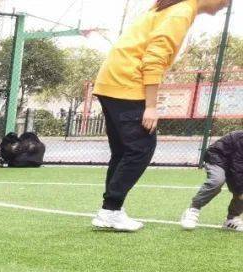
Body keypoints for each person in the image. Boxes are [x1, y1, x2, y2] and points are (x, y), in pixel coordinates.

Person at [91, 0, 231, 232]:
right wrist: (151, 106)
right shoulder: (181, 12)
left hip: (111, 81)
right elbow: (154, 58)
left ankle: (112, 209)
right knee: (141, 148)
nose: (226, 5)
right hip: (127, 83)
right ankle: (110, 210)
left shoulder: (171, 9)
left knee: (124, 151)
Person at [181, 130, 243, 231]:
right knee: (217, 181)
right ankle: (193, 209)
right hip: (218, 158)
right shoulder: (240, 138)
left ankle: (232, 219)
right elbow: (238, 166)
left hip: (236, 163)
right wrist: (240, 191)